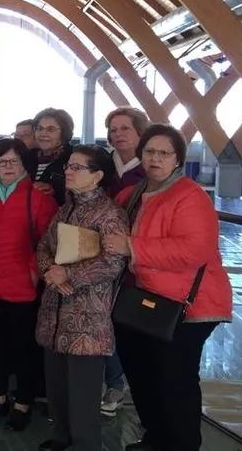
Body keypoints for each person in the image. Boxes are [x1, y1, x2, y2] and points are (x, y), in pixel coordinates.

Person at [106, 124, 233, 451]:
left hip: (189, 306)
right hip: (145, 299)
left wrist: (133, 246)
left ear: (178, 159)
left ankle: (182, 444)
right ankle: (157, 437)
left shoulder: (189, 196)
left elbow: (195, 250)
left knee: (174, 381)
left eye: (164, 153)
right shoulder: (135, 193)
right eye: (150, 152)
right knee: (142, 373)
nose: (156, 158)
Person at [35, 145, 129, 451]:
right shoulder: (66, 208)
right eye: (69, 167)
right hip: (55, 313)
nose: (69, 172)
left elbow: (113, 263)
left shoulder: (110, 214)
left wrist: (70, 276)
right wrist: (50, 270)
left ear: (98, 176)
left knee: (82, 395)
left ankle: (84, 445)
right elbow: (43, 247)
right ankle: (61, 438)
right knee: (58, 389)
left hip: (87, 319)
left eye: (78, 168)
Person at [0, 138, 57, 431]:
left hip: (21, 288)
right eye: (2, 161)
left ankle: (22, 403)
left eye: (13, 161)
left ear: (23, 165)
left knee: (23, 348)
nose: (7, 166)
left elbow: (48, 243)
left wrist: (32, 273)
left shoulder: (39, 198)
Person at [100, 106, 149, 417]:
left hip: (133, 259)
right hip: (101, 255)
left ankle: (124, 383)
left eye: (125, 129)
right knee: (102, 320)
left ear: (140, 133)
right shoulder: (104, 167)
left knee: (126, 323)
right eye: (113, 129)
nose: (118, 134)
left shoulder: (147, 173)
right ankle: (114, 380)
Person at [23, 108, 75, 207]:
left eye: (50, 129)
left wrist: (55, 192)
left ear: (64, 133)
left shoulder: (73, 158)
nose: (43, 134)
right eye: (39, 128)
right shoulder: (26, 156)